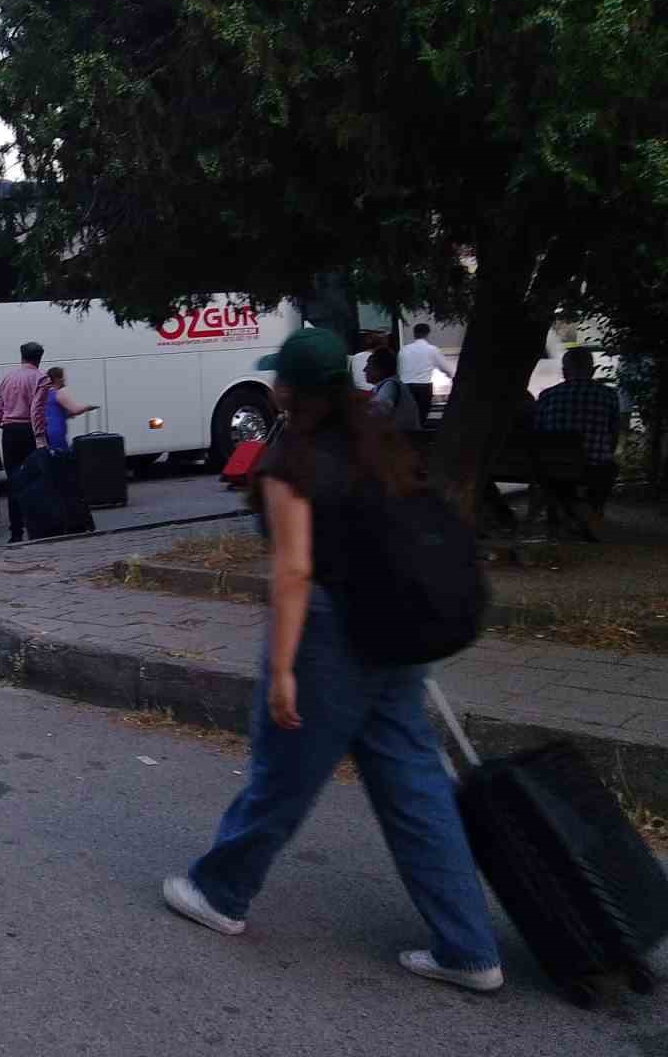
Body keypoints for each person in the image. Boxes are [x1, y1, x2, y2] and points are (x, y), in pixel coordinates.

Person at [162, 328, 503, 994]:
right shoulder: (378, 436)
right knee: (416, 791)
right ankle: (469, 947)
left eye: (279, 380)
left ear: (290, 389)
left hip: (331, 635)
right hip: (397, 630)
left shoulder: (292, 457)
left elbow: (293, 572)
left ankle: (220, 891)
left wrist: (284, 670)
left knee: (282, 775)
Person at [535, 347, 621, 542]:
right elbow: (613, 433)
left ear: (565, 372)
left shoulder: (547, 396)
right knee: (609, 468)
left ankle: (572, 512)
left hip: (554, 468)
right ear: (592, 371)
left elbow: (538, 433)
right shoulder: (608, 395)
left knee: (556, 477)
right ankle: (592, 510)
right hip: (594, 467)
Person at [0, 341, 50, 543]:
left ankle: (16, 533)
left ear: (21, 356)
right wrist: (40, 438)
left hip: (9, 434)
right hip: (28, 432)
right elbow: (36, 410)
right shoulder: (41, 378)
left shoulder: (6, 378)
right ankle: (35, 528)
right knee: (34, 481)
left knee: (14, 482)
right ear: (39, 358)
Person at [399, 324, 453, 427]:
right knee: (421, 417)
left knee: (408, 418)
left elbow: (400, 369)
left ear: (414, 334)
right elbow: (446, 369)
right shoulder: (432, 349)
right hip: (423, 388)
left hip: (405, 388)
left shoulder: (404, 349)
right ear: (427, 334)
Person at [364, 347, 420, 433]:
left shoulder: (389, 386)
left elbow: (377, 414)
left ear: (379, 368)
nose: (364, 369)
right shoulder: (391, 385)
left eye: (368, 365)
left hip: (403, 440)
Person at [44, 366, 97, 452]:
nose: (64, 380)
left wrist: (68, 414)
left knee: (50, 458)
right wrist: (87, 407)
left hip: (45, 431)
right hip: (57, 431)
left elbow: (54, 412)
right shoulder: (59, 393)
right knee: (62, 457)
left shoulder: (45, 394)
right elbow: (75, 409)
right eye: (62, 377)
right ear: (57, 379)